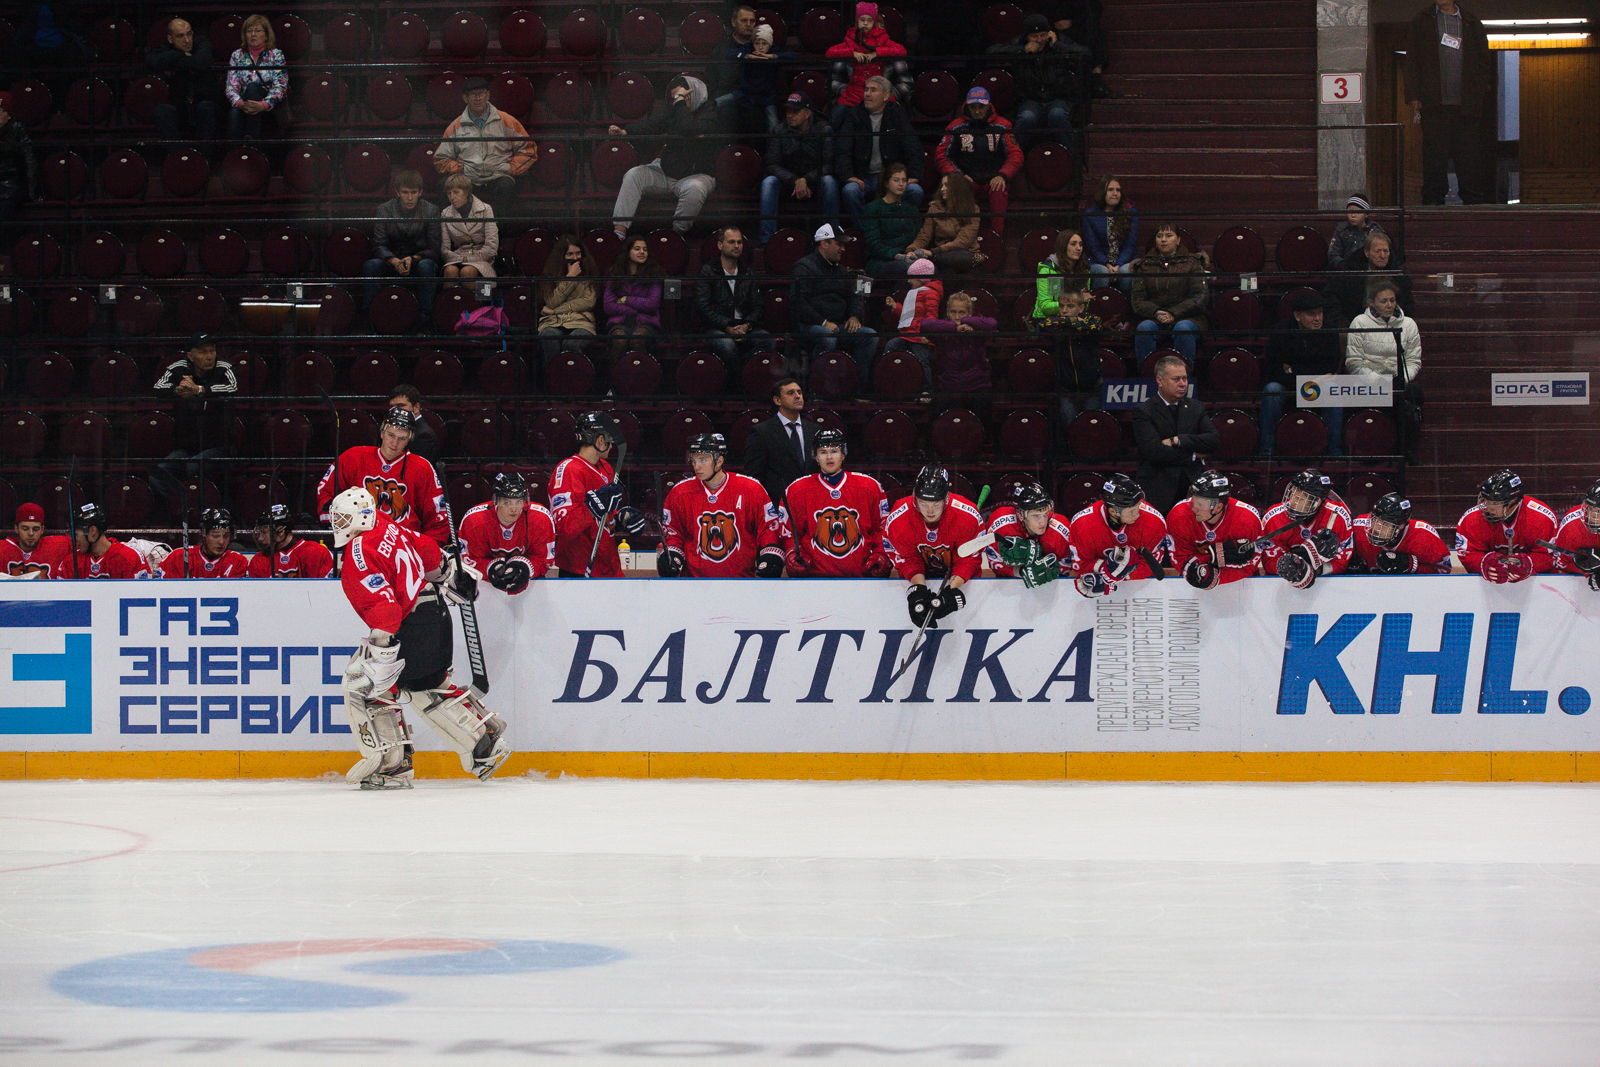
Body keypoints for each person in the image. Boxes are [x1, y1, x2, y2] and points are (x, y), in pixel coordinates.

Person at [328, 486, 510, 789]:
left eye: (344, 517)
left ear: (359, 517)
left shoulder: (359, 553)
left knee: (366, 688)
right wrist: (452, 574)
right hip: (436, 613)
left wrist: (381, 653)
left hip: (409, 622)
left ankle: (391, 767)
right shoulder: (387, 525)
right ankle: (484, 742)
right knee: (428, 684)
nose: (339, 523)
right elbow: (428, 551)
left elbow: (384, 607)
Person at [1403, 0, 1494, 205]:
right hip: (1434, 105)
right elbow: (1412, 60)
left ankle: (1474, 205)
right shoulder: (1421, 20)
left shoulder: (1472, 22)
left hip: (1467, 106)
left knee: (1469, 159)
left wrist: (1479, 92)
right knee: (1434, 158)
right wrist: (1413, 95)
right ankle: (1433, 204)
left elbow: (1483, 61)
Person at [316, 407, 450, 545]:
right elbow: (325, 493)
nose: (395, 443)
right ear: (381, 432)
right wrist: (337, 520)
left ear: (410, 439)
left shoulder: (422, 468)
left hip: (403, 546)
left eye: (402, 438)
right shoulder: (352, 457)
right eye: (391, 435)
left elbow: (438, 517)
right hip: (358, 543)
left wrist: (429, 550)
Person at [658, 434, 786, 578]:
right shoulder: (680, 492)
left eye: (703, 460)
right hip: (693, 585)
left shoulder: (750, 489)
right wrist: (672, 556)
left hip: (742, 584)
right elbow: (674, 533)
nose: (696, 466)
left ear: (719, 461)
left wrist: (771, 553)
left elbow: (769, 528)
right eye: (693, 460)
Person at [608, 76, 719, 236]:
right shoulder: (675, 106)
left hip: (697, 175)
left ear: (694, 94)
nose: (678, 100)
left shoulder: (710, 111)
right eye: (676, 97)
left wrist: (681, 104)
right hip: (666, 170)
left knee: (695, 189)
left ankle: (675, 236)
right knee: (633, 175)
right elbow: (652, 124)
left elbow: (688, 128)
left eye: (682, 95)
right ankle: (618, 235)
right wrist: (625, 131)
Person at [781, 428, 892, 577]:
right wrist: (792, 554)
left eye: (834, 451)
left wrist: (881, 554)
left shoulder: (869, 487)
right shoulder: (797, 490)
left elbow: (883, 528)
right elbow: (787, 532)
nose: (829, 457)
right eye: (823, 452)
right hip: (814, 581)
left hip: (862, 579)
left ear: (843, 454)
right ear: (815, 456)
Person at [883, 466, 983, 627]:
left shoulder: (967, 517)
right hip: (921, 576)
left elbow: (968, 559)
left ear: (946, 499)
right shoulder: (898, 520)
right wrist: (919, 588)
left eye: (936, 504)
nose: (930, 511)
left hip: (964, 583)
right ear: (915, 498)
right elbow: (906, 558)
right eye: (923, 503)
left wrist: (951, 590)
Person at [149, 334, 238, 510]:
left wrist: (200, 390)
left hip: (218, 446)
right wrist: (178, 389)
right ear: (190, 356)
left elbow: (233, 387)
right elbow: (158, 387)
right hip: (186, 448)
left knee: (194, 466)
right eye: (203, 352)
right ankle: (181, 509)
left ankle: (203, 511)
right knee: (158, 475)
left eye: (212, 351)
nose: (210, 356)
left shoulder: (225, 367)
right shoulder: (178, 368)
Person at [549, 412, 643, 578]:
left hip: (609, 566)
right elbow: (565, 527)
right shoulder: (569, 470)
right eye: (609, 440)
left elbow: (607, 518)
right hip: (579, 569)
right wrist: (592, 508)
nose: (611, 445)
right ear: (600, 440)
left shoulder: (606, 468)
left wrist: (622, 518)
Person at [433, 76, 537, 220]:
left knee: (506, 185)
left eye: (481, 94)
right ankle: (454, 232)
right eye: (472, 95)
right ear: (465, 98)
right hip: (467, 178)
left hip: (498, 175)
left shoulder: (506, 120)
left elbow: (529, 150)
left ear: (487, 95)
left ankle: (500, 234)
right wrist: (460, 170)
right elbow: (441, 159)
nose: (477, 98)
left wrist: (510, 168)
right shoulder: (456, 126)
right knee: (443, 185)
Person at [1260, 290, 1345, 457]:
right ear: (1298, 316)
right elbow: (1273, 371)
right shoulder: (1280, 331)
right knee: (1271, 389)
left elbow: (1331, 367)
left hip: (1316, 384)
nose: (1318, 319)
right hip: (1289, 385)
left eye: (1320, 313)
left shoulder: (1329, 330)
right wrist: (1309, 377)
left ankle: (1335, 452)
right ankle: (1266, 451)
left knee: (1332, 388)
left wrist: (1293, 369)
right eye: (1311, 314)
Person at [986, 14, 1091, 148]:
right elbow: (990, 52)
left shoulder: (1059, 41)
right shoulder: (1019, 43)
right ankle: (1015, 159)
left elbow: (1087, 54)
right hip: (1030, 99)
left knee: (1057, 115)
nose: (1039, 40)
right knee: (1026, 118)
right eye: (1034, 36)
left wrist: (1057, 45)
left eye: (1043, 35)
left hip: (1059, 98)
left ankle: (1072, 159)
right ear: (1027, 36)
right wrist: (1022, 50)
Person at [1131, 355, 1218, 516]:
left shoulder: (1196, 407)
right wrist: (1193, 455)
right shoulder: (1144, 411)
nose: (1183, 383)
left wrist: (1179, 440)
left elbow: (1213, 441)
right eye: (1176, 379)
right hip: (1158, 489)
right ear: (1160, 380)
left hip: (1193, 489)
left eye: (1184, 378)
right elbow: (1154, 451)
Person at [835, 76, 925, 225]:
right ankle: (863, 233)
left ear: (886, 96)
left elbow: (913, 147)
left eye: (873, 90)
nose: (867, 94)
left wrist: (913, 176)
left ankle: (897, 229)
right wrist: (849, 176)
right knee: (850, 191)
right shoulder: (854, 115)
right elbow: (842, 149)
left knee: (915, 191)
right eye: (866, 90)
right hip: (863, 177)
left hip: (891, 178)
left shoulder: (897, 114)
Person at [1346, 278, 1423, 448]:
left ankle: (1404, 450)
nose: (1389, 305)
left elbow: (1413, 360)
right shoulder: (1359, 322)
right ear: (1371, 302)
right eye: (1383, 301)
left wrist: (1401, 379)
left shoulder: (1409, 324)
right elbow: (1354, 362)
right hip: (1369, 381)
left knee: (1413, 394)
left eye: (1392, 300)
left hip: (1398, 380)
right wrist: (1377, 381)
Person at [933, 87, 1022, 235]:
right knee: (958, 189)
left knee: (999, 189)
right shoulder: (956, 127)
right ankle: (962, 238)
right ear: (966, 106)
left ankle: (997, 236)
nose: (977, 111)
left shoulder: (1002, 125)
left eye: (981, 107)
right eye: (973, 107)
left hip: (994, 178)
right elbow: (941, 155)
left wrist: (1003, 175)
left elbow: (1015, 154)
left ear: (988, 105)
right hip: (966, 178)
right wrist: (958, 176)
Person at [791, 223, 878, 373]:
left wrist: (854, 316)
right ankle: (817, 389)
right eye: (839, 244)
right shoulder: (804, 267)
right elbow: (798, 303)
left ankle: (854, 389)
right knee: (827, 338)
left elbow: (855, 297)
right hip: (810, 325)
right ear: (824, 244)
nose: (843, 249)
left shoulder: (842, 270)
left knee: (870, 336)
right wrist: (823, 322)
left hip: (838, 326)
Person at [1068, 474, 1170, 598]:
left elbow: (1151, 566)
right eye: (1132, 511)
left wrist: (1113, 578)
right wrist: (1106, 570)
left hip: (1138, 591)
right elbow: (1081, 564)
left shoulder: (1154, 522)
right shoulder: (1083, 525)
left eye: (1139, 506)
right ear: (1113, 512)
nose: (1138, 514)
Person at [458, 473, 558, 596]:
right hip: (486, 588)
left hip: (530, 587)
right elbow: (471, 561)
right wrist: (491, 569)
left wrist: (526, 570)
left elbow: (544, 561)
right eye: (507, 502)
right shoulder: (474, 521)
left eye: (518, 501)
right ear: (496, 501)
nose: (514, 509)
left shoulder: (540, 519)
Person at [760, 94, 840, 247]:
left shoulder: (823, 129)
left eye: (795, 112)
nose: (790, 115)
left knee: (830, 182)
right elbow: (771, 164)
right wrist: (795, 180)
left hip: (815, 182)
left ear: (807, 113)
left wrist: (806, 179)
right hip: (788, 183)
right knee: (768, 182)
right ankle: (766, 241)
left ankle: (833, 236)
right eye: (788, 111)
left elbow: (829, 164)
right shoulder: (779, 130)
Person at [362, 169, 442, 322]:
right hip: (392, 260)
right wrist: (394, 261)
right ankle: (371, 315)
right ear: (397, 192)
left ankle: (425, 317)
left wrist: (413, 259)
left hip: (418, 260)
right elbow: (378, 245)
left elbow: (434, 248)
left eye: (413, 192)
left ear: (420, 192)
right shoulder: (384, 209)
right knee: (371, 265)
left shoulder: (431, 210)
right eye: (405, 192)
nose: (410, 197)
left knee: (427, 266)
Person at [1453, 469, 1558, 584]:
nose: (1489, 508)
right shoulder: (1472, 520)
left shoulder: (1541, 519)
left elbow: (1551, 555)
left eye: (1496, 503)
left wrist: (1531, 564)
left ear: (1514, 501)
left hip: (1538, 586)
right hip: (1488, 586)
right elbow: (1468, 553)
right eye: (1487, 501)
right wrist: (1482, 563)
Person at [693, 226, 775, 368]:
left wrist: (747, 325)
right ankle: (735, 384)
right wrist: (727, 326)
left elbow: (758, 305)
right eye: (731, 242)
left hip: (744, 326)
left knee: (768, 341)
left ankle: (744, 370)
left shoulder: (748, 272)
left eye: (739, 242)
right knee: (727, 345)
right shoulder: (707, 271)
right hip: (716, 327)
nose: (736, 246)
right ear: (720, 245)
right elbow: (703, 307)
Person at [1165, 471, 1262, 589]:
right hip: (1195, 586)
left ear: (1218, 507)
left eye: (1200, 505)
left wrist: (1216, 577)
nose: (1194, 507)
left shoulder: (1247, 520)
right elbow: (1180, 558)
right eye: (1193, 500)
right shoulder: (1178, 516)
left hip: (1242, 586)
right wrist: (1213, 558)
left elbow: (1251, 564)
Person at [1258, 469, 1353, 589]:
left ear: (1317, 502)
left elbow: (1341, 561)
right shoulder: (1274, 518)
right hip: (1281, 586)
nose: (1292, 501)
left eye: (1299, 499)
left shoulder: (1338, 516)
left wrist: (1315, 572)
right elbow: (1269, 562)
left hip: (1328, 587)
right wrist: (1288, 567)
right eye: (1292, 494)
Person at [1131, 223, 1208, 365]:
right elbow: (1138, 300)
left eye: (1168, 235)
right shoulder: (1145, 265)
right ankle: (1147, 377)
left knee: (1182, 329)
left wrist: (1173, 313)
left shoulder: (1193, 263)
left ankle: (1183, 378)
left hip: (1188, 317)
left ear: (1178, 240)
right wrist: (1156, 312)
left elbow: (1200, 297)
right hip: (1155, 318)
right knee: (1144, 329)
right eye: (1159, 236)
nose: (1163, 240)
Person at [146, 18, 220, 159]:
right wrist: (180, 54)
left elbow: (201, 61)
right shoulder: (166, 48)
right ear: (170, 38)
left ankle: (204, 160)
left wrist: (172, 63)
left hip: (206, 105)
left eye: (189, 34)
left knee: (206, 108)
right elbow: (152, 61)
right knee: (160, 111)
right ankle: (177, 157)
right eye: (180, 36)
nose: (187, 40)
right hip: (181, 107)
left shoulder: (201, 42)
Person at [826, 3, 910, 126]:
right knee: (834, 122)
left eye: (869, 20)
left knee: (898, 119)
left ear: (874, 22)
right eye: (862, 19)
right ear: (857, 21)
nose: (865, 23)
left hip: (878, 91)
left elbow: (902, 51)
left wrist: (877, 53)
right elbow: (830, 52)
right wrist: (852, 53)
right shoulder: (850, 37)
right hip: (854, 91)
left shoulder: (881, 37)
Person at [743, 378, 819, 511]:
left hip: (813, 504)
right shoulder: (762, 432)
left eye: (799, 392)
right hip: (778, 507)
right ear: (777, 400)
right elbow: (754, 476)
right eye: (790, 393)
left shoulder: (815, 431)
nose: (797, 396)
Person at [985, 481, 1071, 589]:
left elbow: (1067, 570)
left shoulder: (1059, 531)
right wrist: (1020, 572)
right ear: (1020, 515)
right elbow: (995, 563)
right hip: (1008, 589)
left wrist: (1051, 569)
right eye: (1036, 516)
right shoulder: (1002, 527)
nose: (1043, 522)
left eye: (1045, 514)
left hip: (1049, 591)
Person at [537, 234, 598, 372]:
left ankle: (577, 379)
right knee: (549, 336)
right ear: (562, 256)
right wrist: (570, 277)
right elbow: (551, 302)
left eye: (578, 253)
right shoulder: (551, 274)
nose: (575, 258)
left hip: (581, 322)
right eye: (570, 254)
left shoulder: (589, 272)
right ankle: (555, 379)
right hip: (553, 322)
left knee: (571, 343)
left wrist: (555, 310)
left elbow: (588, 302)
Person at [1350, 493, 1451, 575]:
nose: (1376, 528)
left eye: (1385, 524)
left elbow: (1445, 569)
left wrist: (1411, 567)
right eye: (1375, 520)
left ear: (1401, 526)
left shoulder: (1424, 537)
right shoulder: (1357, 527)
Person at [1325, 230, 1414, 323]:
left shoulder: (1399, 274)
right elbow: (1331, 297)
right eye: (1377, 251)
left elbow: (1407, 304)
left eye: (1386, 251)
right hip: (1357, 323)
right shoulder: (1350, 270)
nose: (1382, 256)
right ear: (1367, 253)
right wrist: (1343, 326)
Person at [224, 14, 288, 142]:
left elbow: (280, 87)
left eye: (257, 31)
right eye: (249, 31)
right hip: (243, 105)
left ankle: (252, 144)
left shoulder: (276, 55)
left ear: (266, 34)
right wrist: (241, 104)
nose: (253, 34)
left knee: (253, 87)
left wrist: (262, 105)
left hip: (268, 108)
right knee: (234, 114)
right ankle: (237, 154)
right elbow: (231, 87)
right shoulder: (237, 55)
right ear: (244, 35)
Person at [920, 290, 997, 394]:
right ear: (947, 312)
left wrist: (966, 321)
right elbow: (925, 325)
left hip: (977, 385)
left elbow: (992, 324)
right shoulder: (943, 329)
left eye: (962, 312)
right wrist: (955, 328)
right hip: (949, 386)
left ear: (969, 313)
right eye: (953, 312)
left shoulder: (976, 327)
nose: (957, 317)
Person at [1044, 288, 1102, 423]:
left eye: (1070, 306)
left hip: (1092, 389)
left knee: (1090, 428)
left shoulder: (1093, 319)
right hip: (1066, 390)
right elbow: (1042, 326)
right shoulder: (1055, 322)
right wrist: (1074, 322)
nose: (1064, 311)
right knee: (1070, 429)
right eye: (1061, 306)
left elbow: (1094, 328)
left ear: (1081, 307)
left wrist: (1072, 324)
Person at [882, 258, 942, 391]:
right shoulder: (913, 293)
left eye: (911, 278)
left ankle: (928, 389)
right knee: (890, 346)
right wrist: (894, 306)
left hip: (919, 336)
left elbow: (932, 316)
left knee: (922, 361)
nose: (909, 281)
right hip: (907, 334)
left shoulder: (931, 293)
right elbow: (908, 315)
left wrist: (928, 335)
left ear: (921, 278)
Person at [602, 236, 663, 363]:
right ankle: (617, 378)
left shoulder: (654, 274)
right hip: (620, 322)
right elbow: (608, 306)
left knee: (638, 338)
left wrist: (625, 299)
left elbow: (652, 304)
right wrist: (637, 309)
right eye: (637, 249)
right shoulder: (615, 274)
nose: (642, 252)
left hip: (646, 323)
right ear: (627, 252)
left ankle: (642, 378)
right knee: (619, 339)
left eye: (645, 249)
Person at [731, 24, 798, 136]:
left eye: (764, 43)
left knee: (773, 126)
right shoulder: (748, 48)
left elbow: (792, 56)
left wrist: (773, 57)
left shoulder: (774, 50)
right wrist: (748, 56)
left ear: (770, 44)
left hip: (767, 97)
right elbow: (729, 54)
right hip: (745, 94)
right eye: (757, 43)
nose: (760, 47)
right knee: (718, 102)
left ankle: (775, 145)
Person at [907, 172, 982, 273]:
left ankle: (934, 259)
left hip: (966, 254)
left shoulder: (972, 209)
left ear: (957, 188)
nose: (942, 189)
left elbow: (964, 241)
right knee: (947, 271)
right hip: (943, 256)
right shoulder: (934, 208)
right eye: (942, 185)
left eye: (947, 185)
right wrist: (911, 249)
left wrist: (933, 252)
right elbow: (925, 235)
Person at [861, 162, 921, 279]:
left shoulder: (912, 209)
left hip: (908, 257)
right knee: (908, 269)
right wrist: (897, 256)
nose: (901, 184)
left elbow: (917, 237)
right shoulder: (873, 208)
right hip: (881, 262)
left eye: (904, 180)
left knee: (930, 269)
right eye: (896, 180)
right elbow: (873, 244)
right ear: (887, 183)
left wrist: (912, 251)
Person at [440, 175, 499, 293]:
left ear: (466, 192)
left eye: (456, 192)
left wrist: (469, 258)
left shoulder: (486, 209)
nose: (452, 197)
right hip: (457, 257)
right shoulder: (445, 214)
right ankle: (450, 307)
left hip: (482, 257)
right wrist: (461, 258)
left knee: (468, 271)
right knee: (450, 271)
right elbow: (444, 249)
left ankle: (478, 307)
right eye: (449, 193)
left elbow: (491, 247)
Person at [247, 503, 334, 578]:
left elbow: (324, 590)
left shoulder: (314, 553)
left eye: (264, 532)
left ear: (281, 531)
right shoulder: (258, 560)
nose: (260, 538)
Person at [159, 507, 249, 578]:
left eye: (226, 536)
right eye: (215, 536)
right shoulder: (178, 557)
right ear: (203, 534)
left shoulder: (238, 561)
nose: (221, 542)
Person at [70, 503, 153, 579]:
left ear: (92, 531)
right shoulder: (70, 562)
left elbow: (140, 593)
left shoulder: (130, 558)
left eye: (76, 534)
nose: (73, 540)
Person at [1082, 176, 1138, 288]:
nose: (1115, 193)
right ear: (1102, 192)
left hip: (1126, 261)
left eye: (1118, 190)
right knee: (1102, 272)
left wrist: (1118, 265)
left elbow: (1130, 246)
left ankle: (1127, 303)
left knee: (1125, 271)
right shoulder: (1089, 215)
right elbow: (1094, 247)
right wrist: (1107, 264)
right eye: (1110, 190)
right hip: (1098, 262)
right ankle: (1100, 303)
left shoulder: (1130, 213)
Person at [1032, 229, 1091, 324]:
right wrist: (1076, 301)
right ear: (1063, 247)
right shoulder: (1050, 271)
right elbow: (1046, 307)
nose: (1079, 248)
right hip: (1049, 320)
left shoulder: (1083, 271)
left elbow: (1083, 307)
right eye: (1073, 244)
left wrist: (1084, 301)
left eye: (1080, 244)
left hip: (1076, 320)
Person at [1, 502, 73, 579]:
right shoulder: (2, 549)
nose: (31, 533)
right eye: (25, 529)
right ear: (16, 528)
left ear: (42, 529)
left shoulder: (59, 545)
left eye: (36, 529)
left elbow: (82, 547)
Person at [707, 4, 760, 108]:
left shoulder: (764, 48)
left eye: (752, 21)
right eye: (744, 21)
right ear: (733, 22)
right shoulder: (721, 50)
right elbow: (710, 82)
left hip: (755, 102)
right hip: (725, 102)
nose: (748, 24)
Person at [1553, 479, 1600, 591]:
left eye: (1598, 511)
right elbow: (1560, 564)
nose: (1592, 515)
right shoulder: (1572, 527)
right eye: (1590, 508)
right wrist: (1585, 571)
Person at [0, 91, 37, 225]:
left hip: (9, 187)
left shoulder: (17, 130)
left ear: (9, 115)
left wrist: (31, 192)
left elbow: (29, 162)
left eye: (1, 112)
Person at [1326, 195, 1385, 270]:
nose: (1353, 215)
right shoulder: (1342, 230)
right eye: (1350, 212)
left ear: (1366, 214)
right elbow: (1333, 253)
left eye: (1357, 212)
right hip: (1346, 271)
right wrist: (1342, 265)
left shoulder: (1375, 231)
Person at [385, 385, 440, 465]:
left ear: (416, 407)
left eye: (401, 406)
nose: (395, 410)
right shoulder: (393, 429)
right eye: (392, 406)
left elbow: (417, 470)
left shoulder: (424, 435)